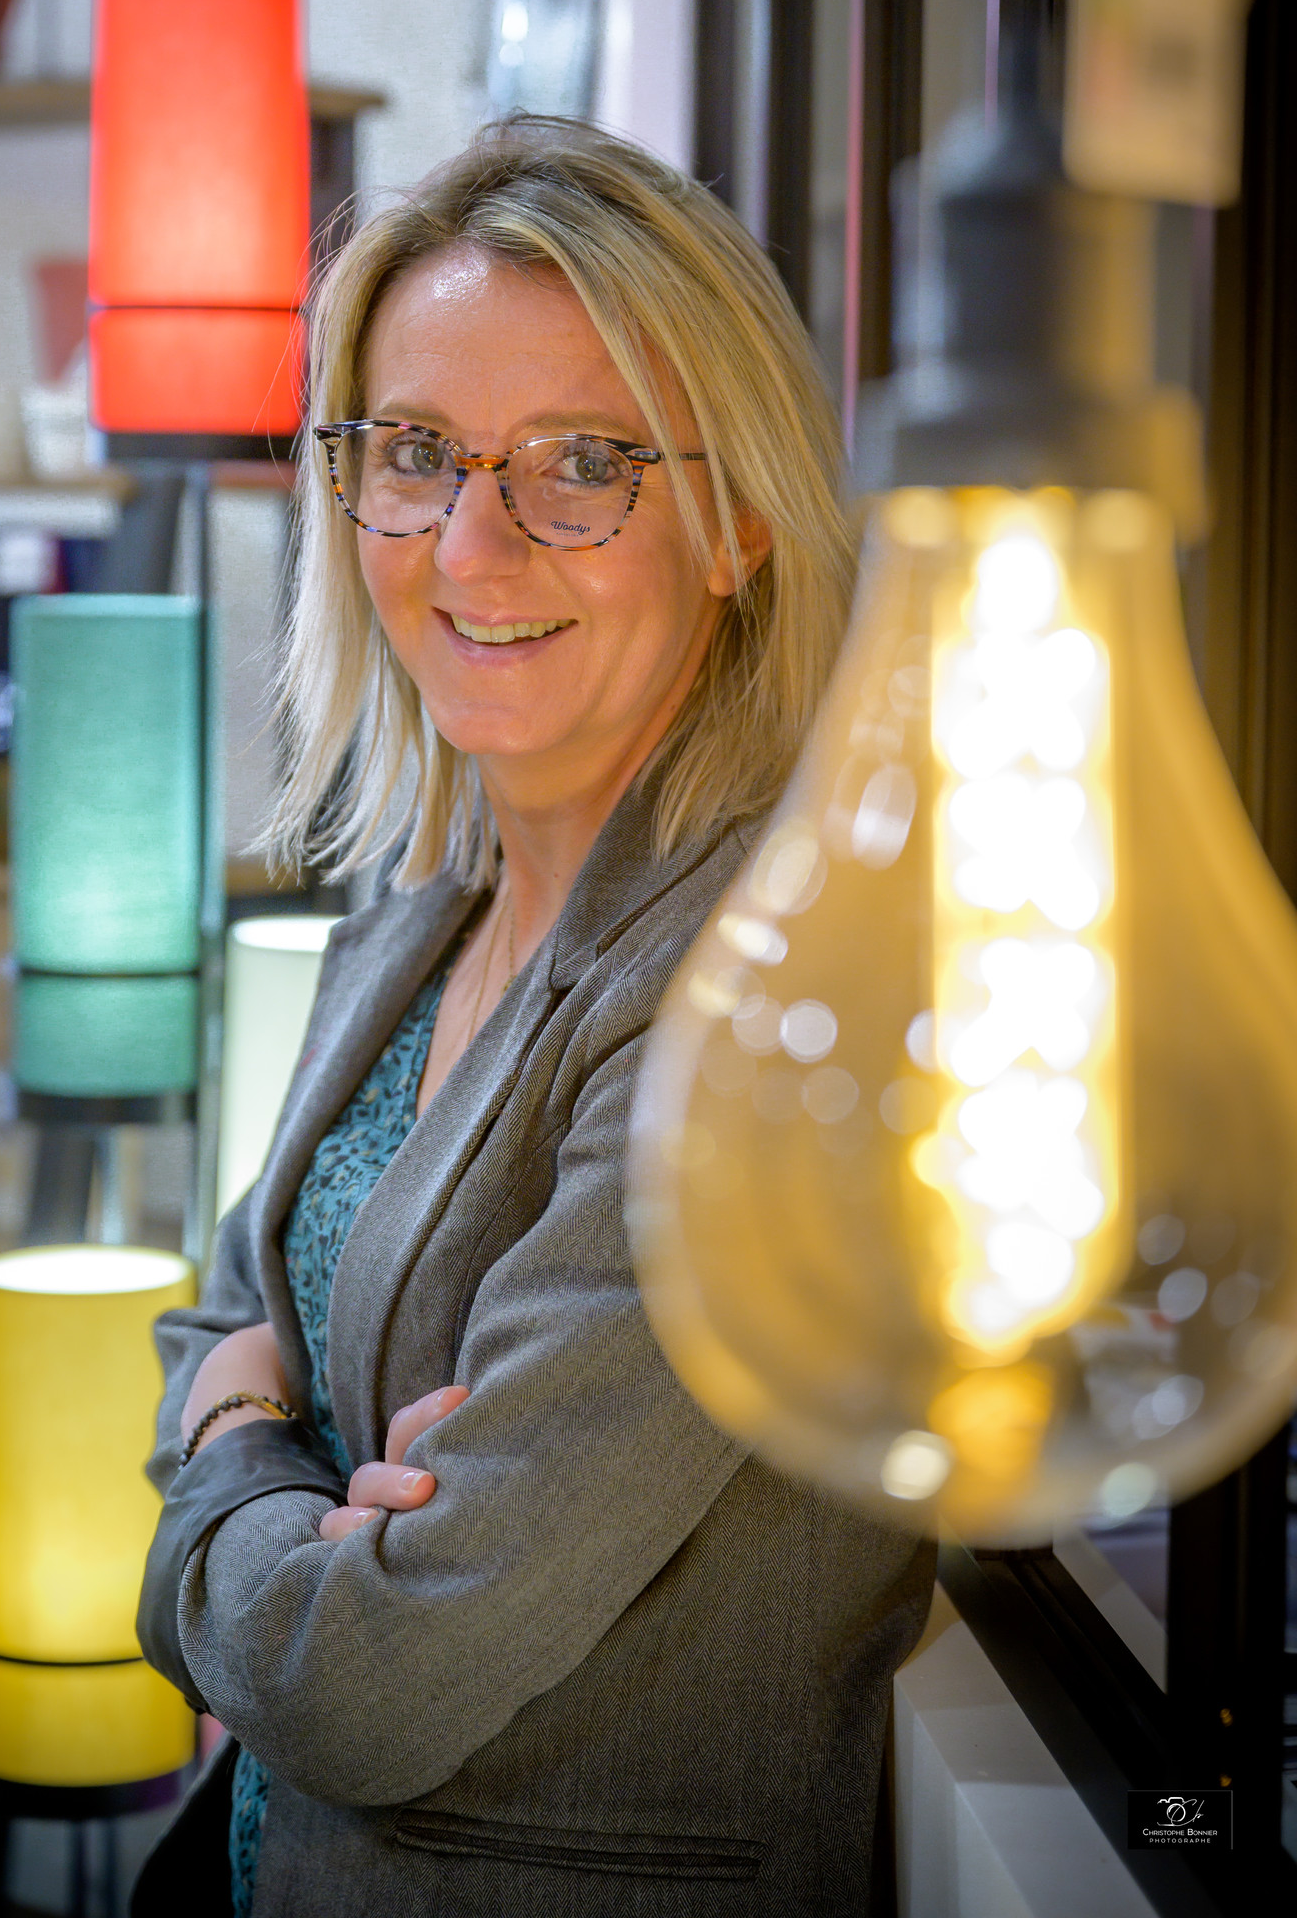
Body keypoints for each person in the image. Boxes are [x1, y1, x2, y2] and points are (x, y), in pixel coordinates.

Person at [135, 118, 935, 1917]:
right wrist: (277, 1464)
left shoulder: (768, 1007)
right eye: (416, 453)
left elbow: (361, 1676)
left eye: (582, 464)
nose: (471, 543)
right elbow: (214, 1315)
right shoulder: (421, 907)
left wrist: (238, 1450)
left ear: (738, 524)